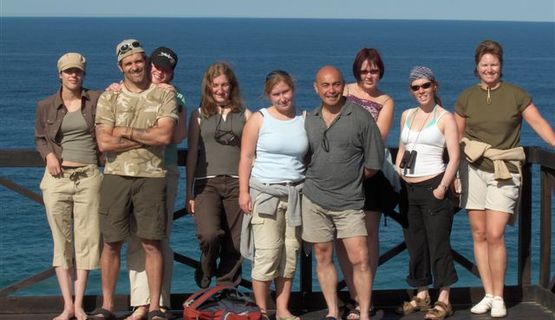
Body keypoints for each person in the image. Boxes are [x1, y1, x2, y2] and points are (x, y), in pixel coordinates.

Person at [454, 39, 555, 318]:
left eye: (494, 64)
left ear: (501, 66)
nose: (489, 69)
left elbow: (539, 124)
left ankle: (499, 296)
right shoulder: (466, 97)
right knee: (479, 233)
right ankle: (487, 293)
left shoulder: (516, 95)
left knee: (496, 234)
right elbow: (453, 137)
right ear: (476, 67)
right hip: (472, 169)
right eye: (484, 64)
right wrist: (450, 172)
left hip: (504, 170)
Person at [90, 39, 178, 320]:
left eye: (139, 61)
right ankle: (107, 306)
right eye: (128, 63)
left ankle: (153, 308)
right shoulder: (109, 96)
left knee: (152, 242)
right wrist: (144, 138)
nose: (135, 66)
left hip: (152, 177)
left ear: (146, 62)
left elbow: (164, 137)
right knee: (111, 242)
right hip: (116, 176)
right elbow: (104, 143)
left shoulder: (165, 94)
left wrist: (124, 130)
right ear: (120, 67)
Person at [302, 66, 384, 320]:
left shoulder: (360, 117)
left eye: (336, 84)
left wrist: (350, 179)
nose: (331, 90)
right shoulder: (310, 119)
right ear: (316, 88)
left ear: (344, 86)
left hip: (350, 202)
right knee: (322, 256)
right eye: (325, 85)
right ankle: (333, 311)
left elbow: (374, 161)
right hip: (314, 199)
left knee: (360, 258)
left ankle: (364, 313)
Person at [35, 52, 102, 320]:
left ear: (83, 75)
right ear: (59, 74)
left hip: (88, 177)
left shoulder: (95, 100)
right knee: (61, 242)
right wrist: (49, 155)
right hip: (57, 178)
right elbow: (40, 137)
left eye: (78, 72)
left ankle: (79, 305)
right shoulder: (45, 105)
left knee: (87, 241)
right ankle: (66, 305)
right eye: (68, 71)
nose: (73, 75)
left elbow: (121, 99)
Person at [238, 70, 308, 320]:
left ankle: (282, 309)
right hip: (265, 193)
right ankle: (262, 310)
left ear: (294, 89)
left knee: (289, 254)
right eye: (276, 94)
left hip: (295, 195)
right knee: (267, 254)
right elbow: (246, 156)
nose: (282, 98)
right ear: (268, 95)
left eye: (285, 92)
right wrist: (244, 192)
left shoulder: (304, 118)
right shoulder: (259, 119)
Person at [125, 47, 187, 320]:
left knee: (160, 236)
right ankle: (140, 302)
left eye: (165, 69)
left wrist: (143, 133)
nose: (158, 72)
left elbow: (177, 136)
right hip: (133, 168)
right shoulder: (132, 92)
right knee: (136, 236)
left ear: (171, 72)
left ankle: (159, 302)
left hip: (164, 169)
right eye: (156, 66)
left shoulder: (177, 96)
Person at [336, 48, 397, 319]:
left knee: (368, 237)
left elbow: (379, 138)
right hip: (339, 174)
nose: (369, 75)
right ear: (356, 72)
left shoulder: (386, 100)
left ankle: (366, 299)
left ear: (380, 71)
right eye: (364, 70)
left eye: (373, 70)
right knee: (341, 236)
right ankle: (352, 294)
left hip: (368, 175)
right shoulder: (344, 91)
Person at [395, 66, 459, 320]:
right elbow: (402, 148)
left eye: (425, 85)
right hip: (409, 189)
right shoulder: (406, 115)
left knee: (439, 244)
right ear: (411, 90)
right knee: (415, 244)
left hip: (434, 186)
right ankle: (422, 293)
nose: (421, 91)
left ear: (435, 86)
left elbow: (454, 157)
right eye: (416, 87)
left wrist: (443, 187)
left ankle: (444, 298)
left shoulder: (445, 117)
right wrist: (401, 172)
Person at [186, 62, 251, 289]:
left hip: (237, 183)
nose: (220, 90)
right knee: (210, 234)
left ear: (232, 86)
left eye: (225, 85)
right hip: (207, 183)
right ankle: (206, 265)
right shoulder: (198, 115)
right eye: (216, 85)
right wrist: (189, 193)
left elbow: (251, 153)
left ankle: (226, 288)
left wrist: (248, 189)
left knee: (236, 241)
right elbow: (192, 153)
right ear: (209, 87)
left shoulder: (246, 115)